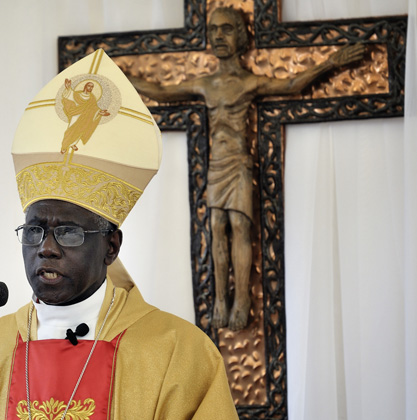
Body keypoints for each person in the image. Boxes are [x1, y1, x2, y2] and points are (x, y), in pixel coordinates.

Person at [0, 48, 255, 420]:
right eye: (33, 230)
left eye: (67, 231)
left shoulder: (180, 353)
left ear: (111, 246)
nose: (45, 247)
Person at [126, 7, 364, 331]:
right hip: (216, 164)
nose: (219, 36)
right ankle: (220, 299)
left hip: (238, 162)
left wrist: (332, 63)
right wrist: (118, 74)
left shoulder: (250, 82)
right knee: (215, 226)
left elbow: (293, 83)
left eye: (226, 29)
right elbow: (161, 92)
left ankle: (242, 299)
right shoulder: (205, 84)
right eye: (214, 30)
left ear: (241, 36)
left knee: (239, 225)